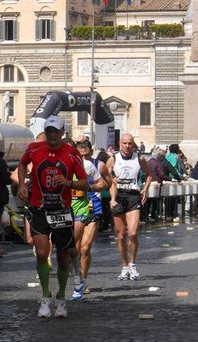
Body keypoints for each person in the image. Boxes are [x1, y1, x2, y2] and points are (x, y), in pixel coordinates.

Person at [17, 115, 88, 318]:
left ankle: (62, 297)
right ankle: (46, 296)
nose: (52, 135)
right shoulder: (34, 149)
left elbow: (85, 182)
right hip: (39, 207)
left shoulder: (72, 154)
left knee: (63, 258)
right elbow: (22, 165)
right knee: (41, 253)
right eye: (48, 131)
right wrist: (22, 184)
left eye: (55, 132)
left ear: (62, 133)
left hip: (62, 210)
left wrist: (68, 182)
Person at [107, 133, 152, 281]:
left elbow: (149, 175)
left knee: (132, 233)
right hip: (118, 197)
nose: (127, 146)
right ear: (120, 144)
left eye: (130, 143)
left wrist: (145, 189)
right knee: (120, 236)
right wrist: (111, 181)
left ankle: (133, 264)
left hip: (133, 196)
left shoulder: (139, 158)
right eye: (125, 143)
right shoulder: (113, 158)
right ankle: (124, 266)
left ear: (133, 145)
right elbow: (105, 177)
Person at [74, 140, 111, 295]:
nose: (84, 159)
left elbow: (107, 183)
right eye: (80, 155)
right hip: (75, 209)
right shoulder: (71, 165)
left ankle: (83, 280)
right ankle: (77, 278)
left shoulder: (98, 165)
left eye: (87, 155)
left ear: (91, 152)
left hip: (93, 208)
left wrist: (92, 187)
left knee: (85, 247)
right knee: (75, 249)